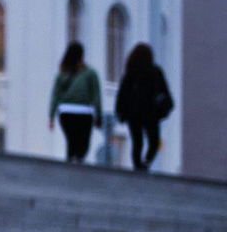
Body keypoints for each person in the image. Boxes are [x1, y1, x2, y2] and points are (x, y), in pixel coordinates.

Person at [115, 42, 175, 172]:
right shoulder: (155, 71)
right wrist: (165, 107)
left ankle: (137, 165)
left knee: (137, 142)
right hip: (151, 112)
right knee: (154, 142)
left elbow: (122, 93)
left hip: (133, 113)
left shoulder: (130, 73)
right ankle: (145, 162)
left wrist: (120, 111)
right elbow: (164, 91)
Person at [47, 42, 103, 164]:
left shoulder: (62, 73)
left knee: (71, 140)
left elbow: (55, 95)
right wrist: (99, 115)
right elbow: (96, 94)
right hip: (84, 112)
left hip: (65, 111)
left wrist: (51, 117)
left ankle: (71, 161)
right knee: (83, 142)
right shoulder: (90, 73)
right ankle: (78, 161)